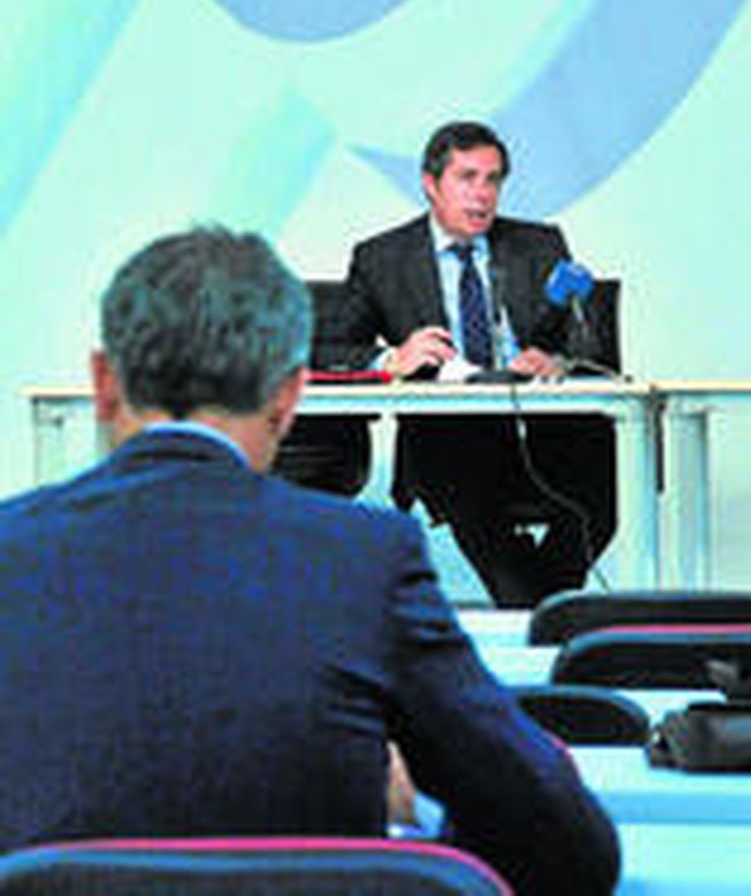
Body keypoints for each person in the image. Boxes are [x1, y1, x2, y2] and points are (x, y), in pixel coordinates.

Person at [0, 228, 618, 893]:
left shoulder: (11, 551)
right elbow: (564, 844)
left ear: (102, 383)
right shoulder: (366, 558)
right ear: (290, 395)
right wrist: (418, 807)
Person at [343, 120, 616, 607]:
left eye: (492, 180)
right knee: (462, 468)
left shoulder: (540, 245)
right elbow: (330, 347)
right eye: (467, 178)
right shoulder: (382, 258)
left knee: (599, 464)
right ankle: (544, 613)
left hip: (545, 425)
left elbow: (589, 344)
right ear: (431, 184)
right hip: (452, 433)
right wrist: (392, 358)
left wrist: (557, 361)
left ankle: (536, 609)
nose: (482, 194)